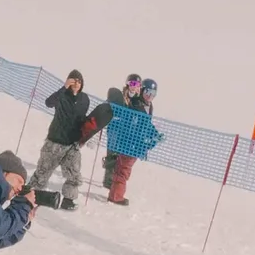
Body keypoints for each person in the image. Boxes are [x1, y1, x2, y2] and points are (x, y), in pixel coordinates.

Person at [31, 70, 92, 210]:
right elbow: (48, 102)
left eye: (79, 81)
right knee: (42, 171)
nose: (76, 83)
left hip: (72, 144)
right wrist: (63, 88)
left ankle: (68, 200)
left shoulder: (84, 99)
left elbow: (82, 118)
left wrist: (88, 130)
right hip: (55, 141)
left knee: (74, 174)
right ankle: (31, 197)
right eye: (73, 80)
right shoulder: (62, 95)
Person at [104, 77, 159, 207]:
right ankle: (117, 197)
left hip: (136, 144)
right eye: (147, 92)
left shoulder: (148, 106)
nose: (150, 96)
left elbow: (147, 124)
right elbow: (133, 123)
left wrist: (154, 134)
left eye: (153, 94)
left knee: (121, 169)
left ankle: (113, 194)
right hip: (130, 143)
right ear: (142, 91)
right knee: (123, 170)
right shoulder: (136, 104)